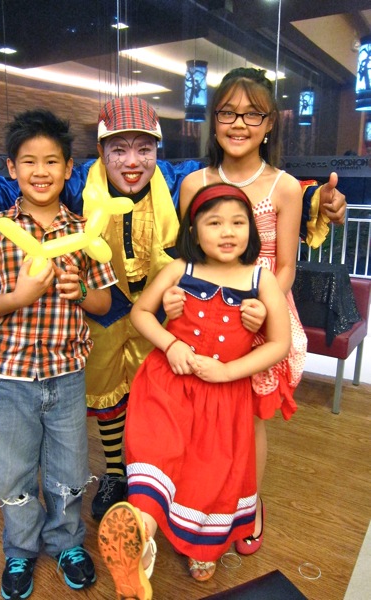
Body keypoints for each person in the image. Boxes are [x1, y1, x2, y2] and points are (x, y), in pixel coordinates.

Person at [0, 97, 345, 520]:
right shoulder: (78, 182)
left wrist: (313, 198)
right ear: (101, 151)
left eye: (144, 149)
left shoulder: (176, 179)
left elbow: (236, 183)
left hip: (162, 311)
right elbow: (4, 187)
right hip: (102, 308)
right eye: (119, 149)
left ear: (157, 151)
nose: (132, 162)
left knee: (159, 401)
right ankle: (116, 473)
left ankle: (159, 475)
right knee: (109, 397)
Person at [98, 183, 292, 600]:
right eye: (214, 222)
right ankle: (141, 536)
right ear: (193, 230)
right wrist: (170, 344)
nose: (228, 232)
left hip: (223, 395)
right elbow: (140, 312)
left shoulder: (261, 279)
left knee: (209, 471)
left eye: (238, 222)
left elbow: (280, 343)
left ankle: (196, 544)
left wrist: (229, 372)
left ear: (251, 229)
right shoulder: (179, 269)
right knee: (156, 452)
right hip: (168, 384)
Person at [0, 109, 118, 599]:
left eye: (52, 161)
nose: (41, 171)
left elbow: (104, 302)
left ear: (69, 168)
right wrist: (19, 296)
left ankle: (67, 541)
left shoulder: (85, 231)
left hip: (66, 373)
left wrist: (79, 292)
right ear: (12, 168)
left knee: (68, 468)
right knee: (14, 470)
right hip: (6, 377)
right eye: (29, 161)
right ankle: (21, 549)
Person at [165, 67, 307, 557]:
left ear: (270, 124)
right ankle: (197, 502)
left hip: (257, 314)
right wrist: (174, 298)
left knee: (247, 420)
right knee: (197, 415)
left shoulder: (285, 187)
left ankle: (249, 505)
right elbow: (187, 256)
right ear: (214, 120)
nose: (239, 123)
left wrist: (262, 308)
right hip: (201, 314)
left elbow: (285, 265)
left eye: (252, 114)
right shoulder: (194, 183)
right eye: (228, 112)